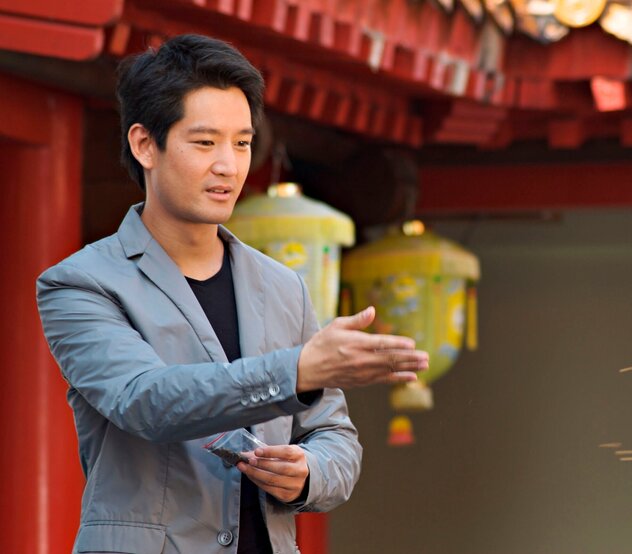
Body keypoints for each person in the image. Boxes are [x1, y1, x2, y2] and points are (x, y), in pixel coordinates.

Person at [36, 34, 428, 554]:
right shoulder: (80, 283)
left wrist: (309, 473)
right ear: (145, 144)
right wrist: (296, 371)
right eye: (205, 143)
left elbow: (335, 436)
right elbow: (146, 401)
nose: (229, 165)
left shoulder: (283, 285)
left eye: (242, 143)